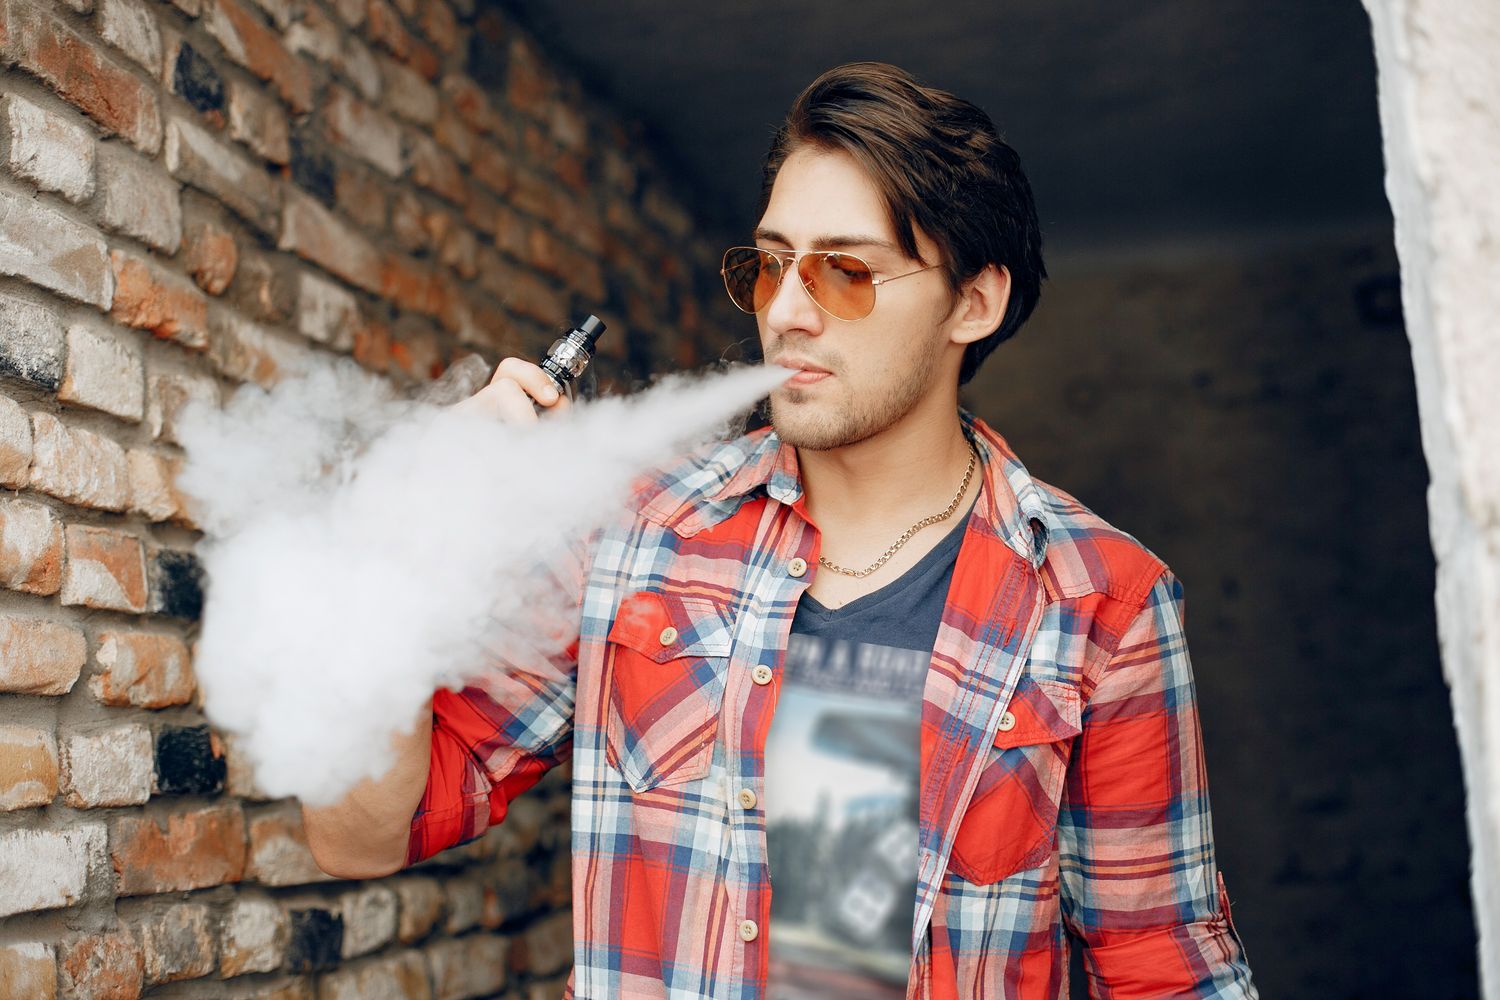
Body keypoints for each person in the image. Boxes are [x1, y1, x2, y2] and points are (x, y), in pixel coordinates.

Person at [303, 61, 1257, 999]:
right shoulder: (637, 531)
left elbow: (1164, 970)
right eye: (771, 265)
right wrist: (404, 545)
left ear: (975, 301)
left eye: (846, 272)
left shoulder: (1103, 599)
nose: (789, 313)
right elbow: (357, 835)